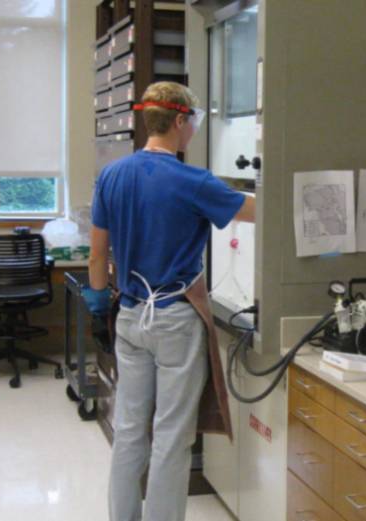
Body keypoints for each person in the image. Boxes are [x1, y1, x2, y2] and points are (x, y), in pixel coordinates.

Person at [83, 81, 255, 521]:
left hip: (128, 315)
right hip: (175, 320)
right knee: (172, 436)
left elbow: (97, 254)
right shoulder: (193, 181)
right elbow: (253, 211)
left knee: (129, 431)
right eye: (193, 121)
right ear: (180, 120)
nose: (194, 129)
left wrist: (99, 302)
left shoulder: (112, 175)